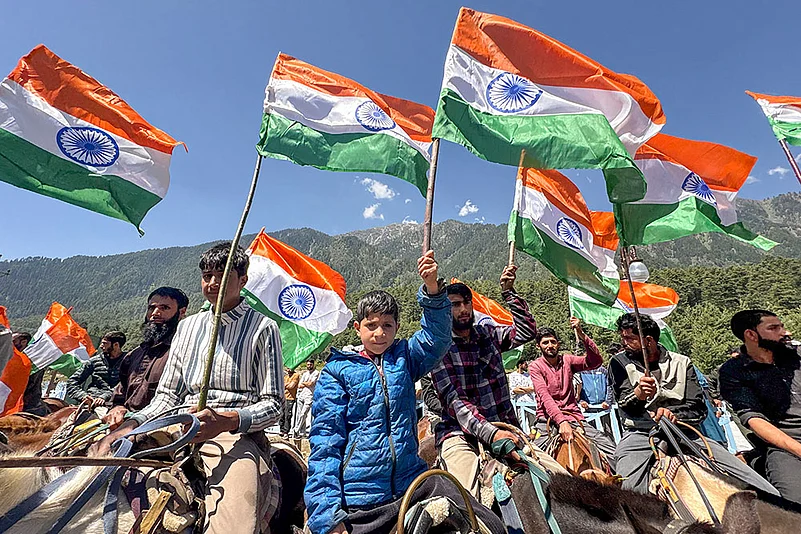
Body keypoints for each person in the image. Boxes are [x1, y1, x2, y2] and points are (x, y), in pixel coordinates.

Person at [304, 251, 505, 534]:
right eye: (371, 325)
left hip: (413, 483)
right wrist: (327, 515)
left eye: (387, 325)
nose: (379, 333)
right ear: (357, 327)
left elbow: (437, 338)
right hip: (360, 498)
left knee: (489, 523)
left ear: (397, 327)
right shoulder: (336, 371)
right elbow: (325, 441)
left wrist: (433, 289)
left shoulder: (405, 357)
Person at [98, 243, 283, 534]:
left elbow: (274, 405)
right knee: (96, 466)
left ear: (243, 280)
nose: (212, 283)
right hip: (176, 425)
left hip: (231, 436)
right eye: (207, 275)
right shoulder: (188, 327)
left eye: (221, 275)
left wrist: (227, 421)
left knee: (233, 525)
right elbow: (168, 395)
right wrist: (132, 424)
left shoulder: (263, 327)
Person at [432, 265, 564, 499]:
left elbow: (526, 332)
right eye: (455, 304)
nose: (463, 309)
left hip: (507, 428)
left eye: (466, 302)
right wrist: (491, 434)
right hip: (460, 436)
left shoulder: (488, 334)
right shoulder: (439, 348)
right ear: (444, 309)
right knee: (468, 503)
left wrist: (509, 292)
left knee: (563, 481)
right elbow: (456, 402)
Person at [609, 312, 777, 496]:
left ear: (648, 340)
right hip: (641, 434)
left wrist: (673, 414)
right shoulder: (618, 363)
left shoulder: (682, 362)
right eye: (622, 337)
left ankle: (778, 505)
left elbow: (697, 407)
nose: (624, 342)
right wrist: (639, 394)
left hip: (684, 431)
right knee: (628, 488)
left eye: (629, 338)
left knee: (748, 478)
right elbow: (624, 404)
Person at [719, 310, 801, 504]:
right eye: (773, 328)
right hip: (785, 444)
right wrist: (798, 449)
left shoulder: (797, 355)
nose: (784, 332)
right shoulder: (733, 371)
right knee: (796, 504)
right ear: (751, 335)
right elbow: (754, 419)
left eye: (781, 326)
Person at [528, 320, 617, 465]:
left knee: (611, 451)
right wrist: (561, 421)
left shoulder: (567, 360)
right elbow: (544, 396)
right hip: (546, 421)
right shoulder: (535, 366)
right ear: (539, 346)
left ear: (558, 344)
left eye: (553, 342)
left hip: (574, 418)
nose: (550, 345)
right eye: (545, 343)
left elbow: (595, 362)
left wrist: (582, 335)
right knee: (533, 461)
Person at [103, 287, 189, 428]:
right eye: (151, 308)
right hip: (124, 424)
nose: (155, 313)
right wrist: (116, 408)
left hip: (162, 426)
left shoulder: (185, 351)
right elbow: (120, 393)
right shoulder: (134, 354)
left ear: (181, 312)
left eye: (164, 308)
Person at [66, 331, 126, 407]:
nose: (101, 346)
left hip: (117, 403)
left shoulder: (128, 362)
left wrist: (104, 397)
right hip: (92, 401)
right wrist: (83, 396)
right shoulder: (94, 361)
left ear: (116, 345)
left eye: (105, 343)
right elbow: (72, 381)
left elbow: (125, 384)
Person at [508, 356, 537, 431]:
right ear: (520, 365)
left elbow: (532, 388)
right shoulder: (512, 376)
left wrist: (521, 388)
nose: (526, 365)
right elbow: (514, 390)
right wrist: (525, 389)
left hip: (530, 401)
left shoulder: (528, 375)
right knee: (521, 422)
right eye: (525, 364)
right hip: (519, 402)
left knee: (533, 422)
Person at [292, 358, 319, 438]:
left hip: (309, 395)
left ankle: (296, 429)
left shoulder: (316, 373)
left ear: (313, 365)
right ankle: (301, 433)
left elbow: (311, 384)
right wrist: (305, 383)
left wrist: (305, 383)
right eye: (307, 365)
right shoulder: (305, 374)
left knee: (304, 413)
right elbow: (299, 385)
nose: (309, 366)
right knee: (299, 414)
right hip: (302, 395)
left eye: (310, 365)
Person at [282, 365, 299, 436]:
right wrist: (286, 385)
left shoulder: (296, 375)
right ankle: (281, 429)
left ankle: (286, 431)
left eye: (289, 368)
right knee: (282, 414)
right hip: (283, 397)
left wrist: (285, 385)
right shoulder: (285, 376)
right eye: (287, 368)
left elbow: (291, 386)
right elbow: (281, 385)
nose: (288, 369)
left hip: (290, 398)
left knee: (288, 415)